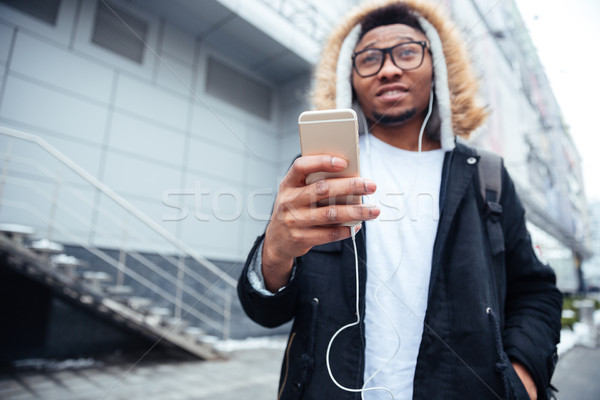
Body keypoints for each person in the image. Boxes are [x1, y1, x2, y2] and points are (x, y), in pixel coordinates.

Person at [237, 0, 562, 399]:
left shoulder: (486, 175)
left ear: (438, 65)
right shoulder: (320, 171)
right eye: (369, 58)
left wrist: (522, 376)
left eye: (407, 52)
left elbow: (536, 291)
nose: (389, 69)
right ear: (349, 77)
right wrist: (274, 252)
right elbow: (265, 313)